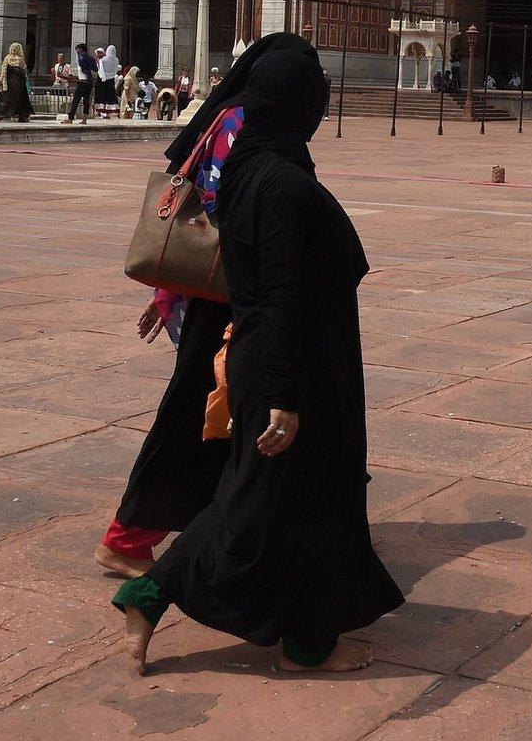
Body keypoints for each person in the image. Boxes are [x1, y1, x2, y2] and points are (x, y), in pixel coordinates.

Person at [112, 44, 405, 675]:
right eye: (315, 90)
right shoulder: (282, 184)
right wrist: (285, 394)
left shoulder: (246, 168)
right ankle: (148, 594)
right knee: (255, 507)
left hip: (290, 358)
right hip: (292, 364)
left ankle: (308, 641)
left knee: (311, 503)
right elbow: (279, 295)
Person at [95, 35, 312, 582]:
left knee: (220, 418)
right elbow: (221, 215)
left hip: (220, 295)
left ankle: (225, 527)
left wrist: (168, 292)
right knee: (199, 414)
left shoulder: (233, 115)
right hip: (229, 299)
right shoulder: (247, 123)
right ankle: (128, 538)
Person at [0, 43, 32, 122]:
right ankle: (22, 117)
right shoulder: (19, 59)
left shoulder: (7, 58)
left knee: (5, 99)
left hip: (8, 82)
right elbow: (23, 70)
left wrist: (2, 82)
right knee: (20, 100)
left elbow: (3, 71)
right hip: (18, 83)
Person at [65, 43, 98, 124]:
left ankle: (70, 118)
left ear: (80, 49)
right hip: (88, 83)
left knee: (76, 100)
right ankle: (84, 120)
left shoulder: (81, 56)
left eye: (76, 50)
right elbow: (95, 69)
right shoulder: (90, 58)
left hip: (83, 82)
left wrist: (84, 70)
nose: (76, 52)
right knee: (86, 101)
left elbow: (83, 65)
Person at [95, 44, 121, 119]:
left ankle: (101, 111)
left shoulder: (103, 59)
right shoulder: (116, 60)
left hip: (102, 80)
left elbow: (99, 69)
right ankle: (109, 111)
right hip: (111, 80)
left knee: (102, 95)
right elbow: (116, 69)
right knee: (110, 95)